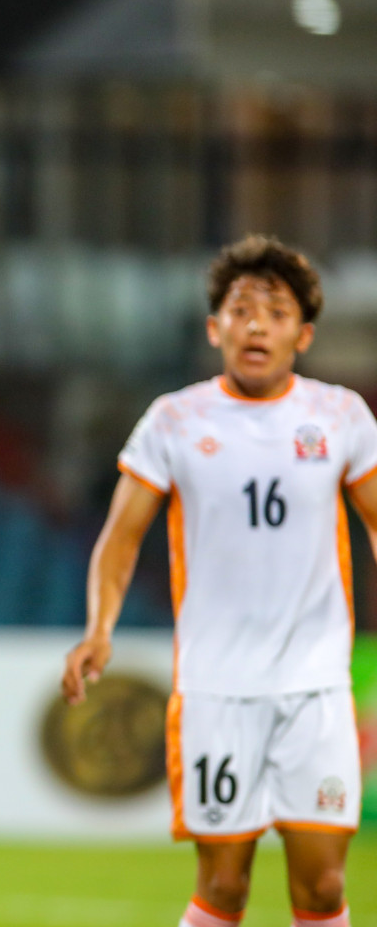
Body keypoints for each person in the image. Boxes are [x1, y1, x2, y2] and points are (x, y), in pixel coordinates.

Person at [62, 236, 373, 927]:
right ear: (214, 328)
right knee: (223, 888)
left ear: (304, 333)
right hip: (214, 689)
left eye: (276, 311)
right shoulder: (175, 420)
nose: (257, 324)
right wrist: (99, 630)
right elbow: (121, 537)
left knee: (322, 887)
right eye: (241, 309)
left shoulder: (342, 415)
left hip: (315, 687)